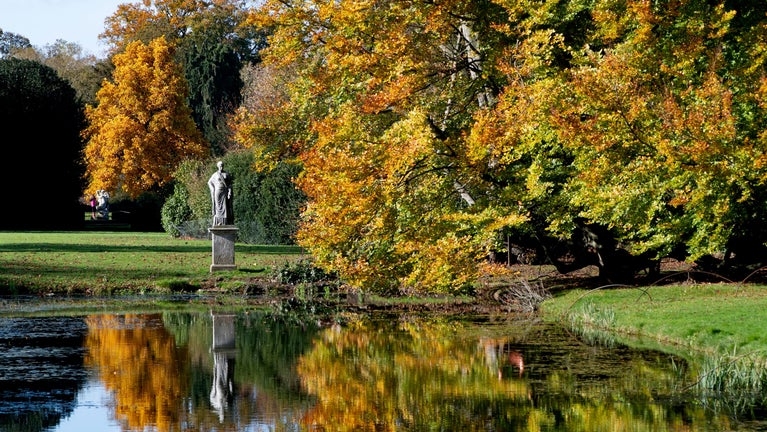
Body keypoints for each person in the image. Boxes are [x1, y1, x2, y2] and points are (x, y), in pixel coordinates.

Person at [208, 161, 233, 226]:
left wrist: (229, 192)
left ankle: (225, 222)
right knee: (218, 206)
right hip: (217, 192)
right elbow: (209, 182)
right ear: (218, 166)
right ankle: (218, 221)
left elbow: (229, 184)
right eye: (220, 166)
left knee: (225, 206)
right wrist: (212, 189)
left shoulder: (226, 174)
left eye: (222, 166)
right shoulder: (215, 174)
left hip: (224, 192)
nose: (221, 167)